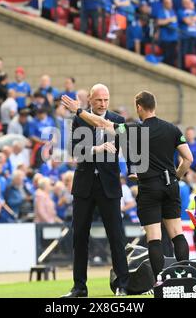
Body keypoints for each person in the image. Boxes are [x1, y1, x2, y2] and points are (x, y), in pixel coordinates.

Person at [61, 89, 193, 282]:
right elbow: (188, 158)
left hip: (149, 187)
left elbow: (102, 123)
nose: (104, 103)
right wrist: (176, 178)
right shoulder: (172, 129)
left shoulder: (133, 129)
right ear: (154, 106)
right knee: (176, 233)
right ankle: (186, 278)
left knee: (154, 238)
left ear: (139, 107)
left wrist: (78, 110)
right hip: (170, 185)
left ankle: (160, 283)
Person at [61, 84, 129, 298]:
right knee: (79, 236)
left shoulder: (117, 120)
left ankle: (122, 284)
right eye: (99, 100)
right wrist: (95, 149)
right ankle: (79, 287)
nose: (103, 104)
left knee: (116, 236)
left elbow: (125, 145)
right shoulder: (78, 120)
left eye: (106, 100)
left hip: (109, 185)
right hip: (84, 185)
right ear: (90, 100)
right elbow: (74, 151)